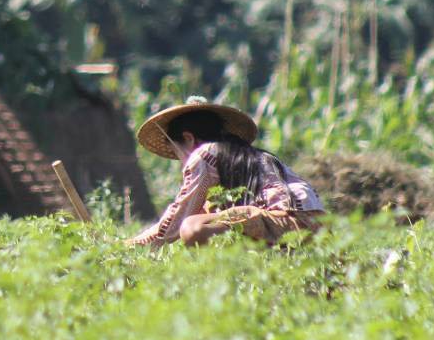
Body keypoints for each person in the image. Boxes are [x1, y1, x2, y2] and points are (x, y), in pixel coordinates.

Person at [123, 98, 324, 247]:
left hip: (287, 221)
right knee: (209, 216)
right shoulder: (246, 157)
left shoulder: (204, 154)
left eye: (178, 153)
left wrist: (128, 246)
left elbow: (176, 220)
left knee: (192, 227)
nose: (181, 164)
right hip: (316, 226)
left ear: (189, 138)